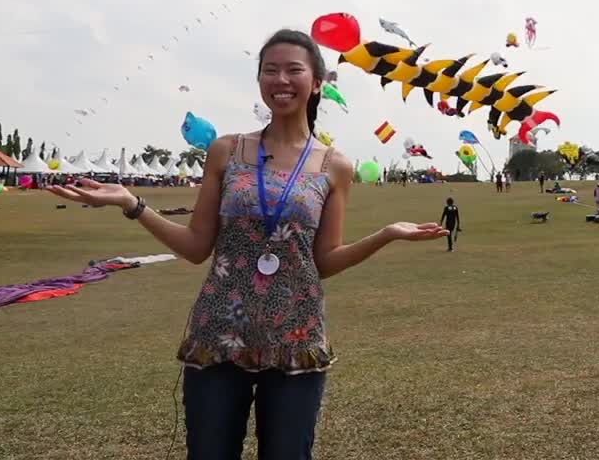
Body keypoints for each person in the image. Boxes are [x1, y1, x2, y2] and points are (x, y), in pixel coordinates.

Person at [46, 29, 448, 459]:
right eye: (269, 70)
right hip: (219, 335)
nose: (281, 80)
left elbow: (324, 261)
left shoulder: (335, 166)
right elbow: (197, 246)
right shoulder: (226, 151)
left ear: (316, 83)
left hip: (296, 336)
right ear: (259, 80)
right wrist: (132, 203)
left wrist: (385, 234)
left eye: (294, 70)